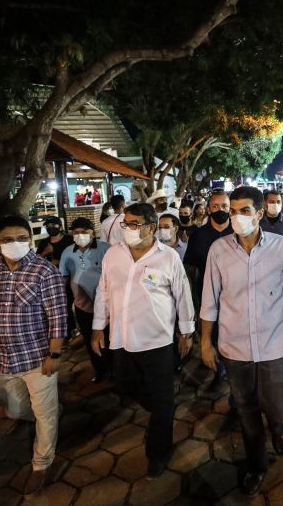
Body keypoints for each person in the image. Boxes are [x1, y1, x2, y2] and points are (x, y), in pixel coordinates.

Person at [200, 186, 283, 495]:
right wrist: (205, 342)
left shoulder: (281, 247)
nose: (236, 217)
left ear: (260, 213)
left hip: (274, 345)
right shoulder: (218, 250)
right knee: (246, 408)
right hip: (235, 348)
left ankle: (277, 426)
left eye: (244, 211)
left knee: (275, 404)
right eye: (233, 211)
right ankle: (257, 463)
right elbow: (209, 301)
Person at [92, 202, 194, 478]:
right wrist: (98, 326)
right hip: (122, 338)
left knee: (162, 399)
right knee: (125, 385)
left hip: (158, 340)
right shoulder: (114, 254)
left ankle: (158, 451)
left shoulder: (168, 257)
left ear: (151, 227)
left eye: (134, 224)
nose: (128, 229)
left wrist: (186, 332)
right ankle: (162, 410)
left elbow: (182, 295)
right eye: (126, 223)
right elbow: (103, 291)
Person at [0, 215, 68, 495]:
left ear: (30, 239)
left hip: (36, 358)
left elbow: (58, 316)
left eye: (22, 238)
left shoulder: (44, 272)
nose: (15, 243)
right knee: (15, 410)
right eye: (7, 239)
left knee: (45, 415)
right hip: (3, 359)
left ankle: (41, 464)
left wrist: (54, 354)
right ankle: (51, 412)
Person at [183, 191, 233, 391]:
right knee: (213, 336)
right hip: (208, 296)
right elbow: (190, 270)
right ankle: (219, 371)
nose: (220, 210)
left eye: (224, 206)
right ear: (208, 208)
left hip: (236, 297)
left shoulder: (239, 232)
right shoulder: (198, 235)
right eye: (215, 206)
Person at [60, 218, 112, 382]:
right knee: (91, 341)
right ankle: (100, 370)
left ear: (93, 233)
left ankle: (116, 370)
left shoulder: (106, 249)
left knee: (111, 339)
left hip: (107, 306)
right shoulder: (68, 252)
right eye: (76, 232)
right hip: (83, 306)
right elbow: (64, 278)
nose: (80, 235)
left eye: (84, 232)